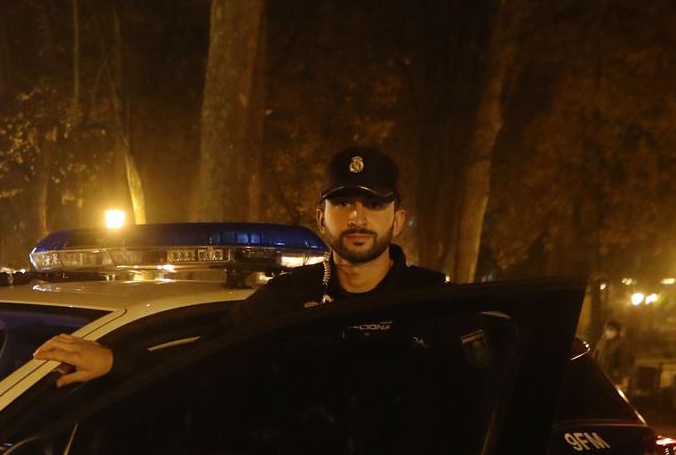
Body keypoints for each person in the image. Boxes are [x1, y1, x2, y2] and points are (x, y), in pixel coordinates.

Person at [32, 145, 447, 384]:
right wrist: (114, 361)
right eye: (343, 203)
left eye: (373, 204)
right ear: (321, 218)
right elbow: (204, 363)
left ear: (397, 219)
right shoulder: (286, 298)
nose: (357, 218)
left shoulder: (433, 302)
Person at [595, 318, 636, 386]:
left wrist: (617, 373)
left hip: (614, 378)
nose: (608, 332)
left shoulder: (621, 343)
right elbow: (596, 355)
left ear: (617, 331)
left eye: (611, 330)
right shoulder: (602, 341)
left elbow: (623, 361)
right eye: (607, 329)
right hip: (601, 375)